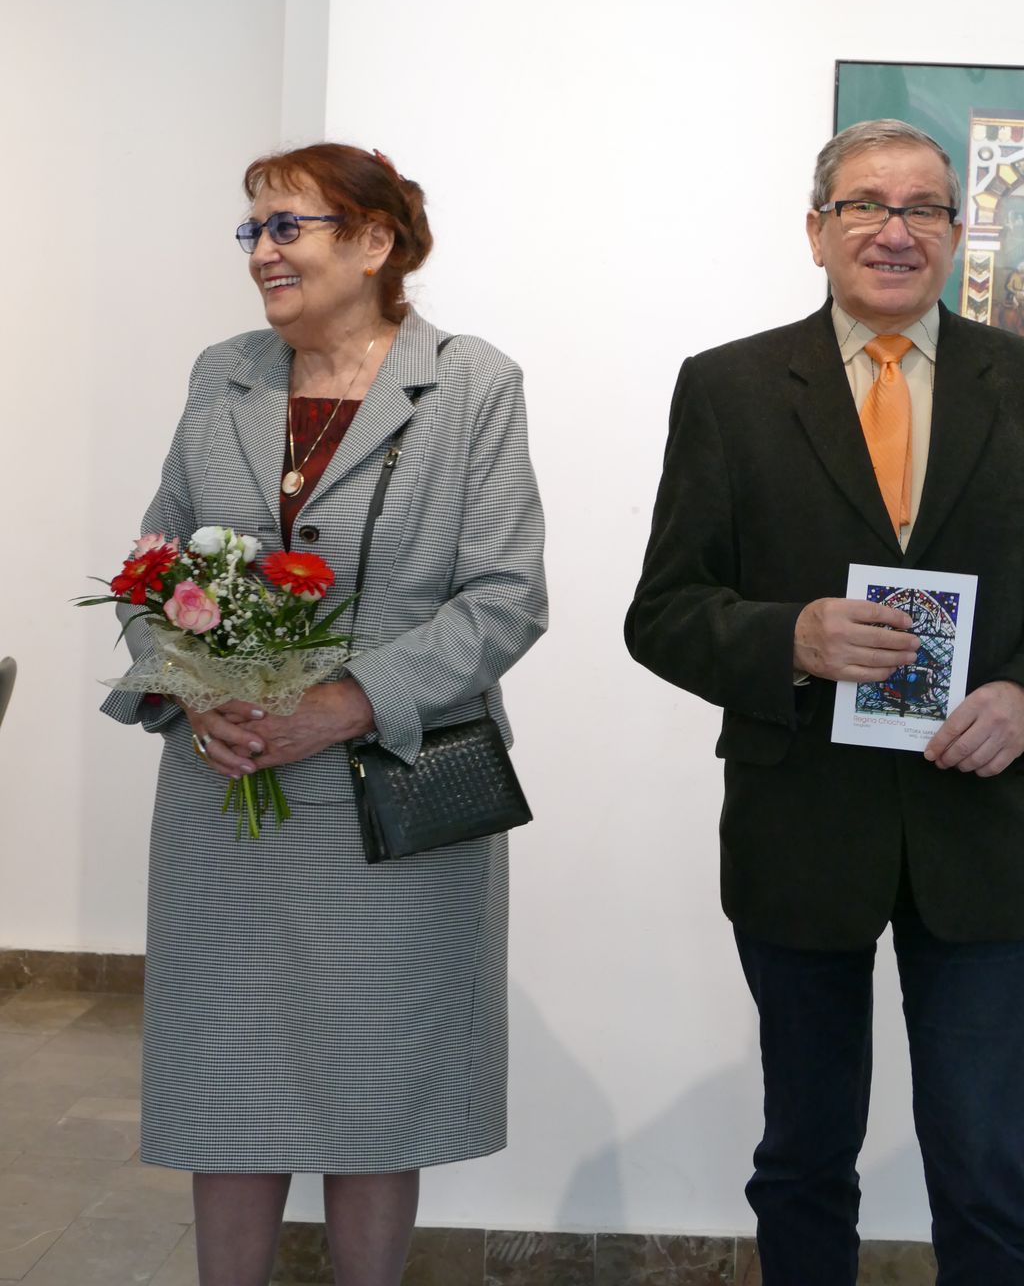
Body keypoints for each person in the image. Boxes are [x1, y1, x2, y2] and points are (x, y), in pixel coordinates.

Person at [101, 142, 547, 1286]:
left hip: (388, 789)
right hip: (226, 787)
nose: (263, 252)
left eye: (287, 227)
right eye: (251, 230)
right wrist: (192, 691)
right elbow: (153, 565)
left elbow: (504, 598)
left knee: (374, 1091)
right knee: (224, 1084)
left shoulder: (470, 382)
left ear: (373, 243)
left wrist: (345, 703)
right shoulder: (225, 374)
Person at [625, 119, 1024, 1285]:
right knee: (802, 1157)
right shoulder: (729, 388)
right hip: (801, 827)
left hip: (988, 831)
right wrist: (785, 638)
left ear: (956, 232)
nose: (894, 231)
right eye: (864, 206)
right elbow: (662, 611)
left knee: (990, 1167)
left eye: (923, 208)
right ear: (815, 230)